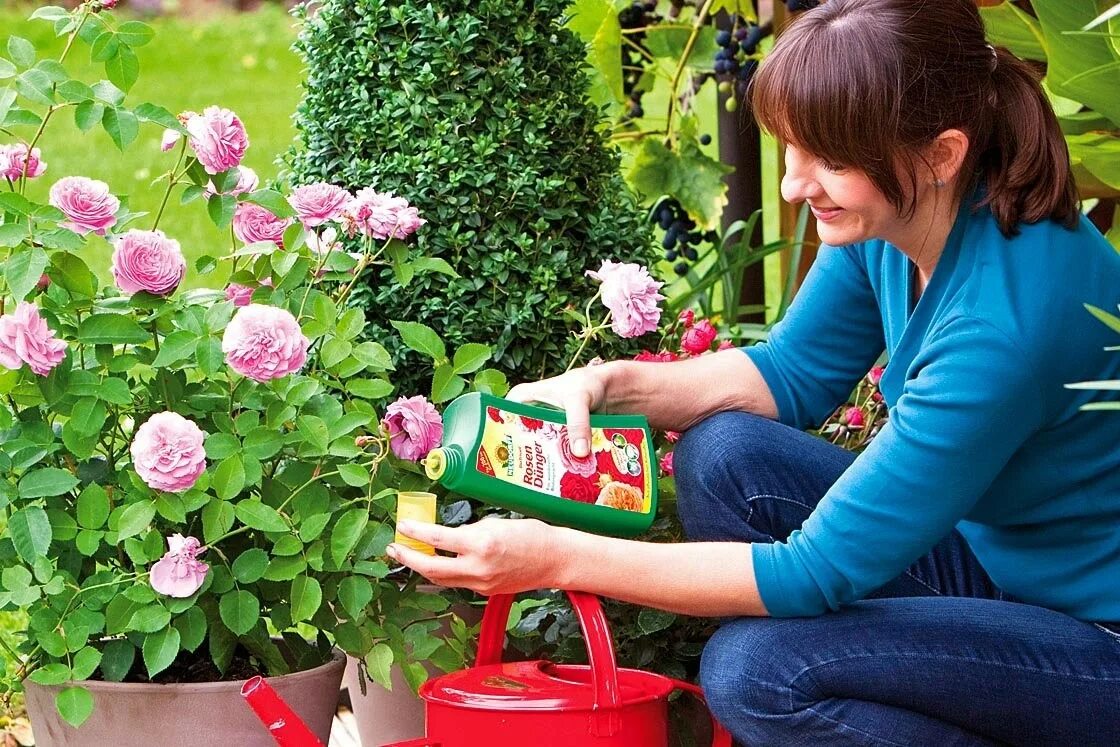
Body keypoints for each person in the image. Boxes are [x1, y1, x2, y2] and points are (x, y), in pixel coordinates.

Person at [386, 0, 1120, 743]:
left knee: (760, 673)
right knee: (724, 453)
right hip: (998, 568)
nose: (794, 186)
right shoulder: (905, 205)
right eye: (792, 150)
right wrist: (606, 384)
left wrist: (553, 556)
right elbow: (789, 372)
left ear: (942, 151)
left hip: (1094, 645)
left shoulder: (1003, 328)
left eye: (830, 159)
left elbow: (813, 571)